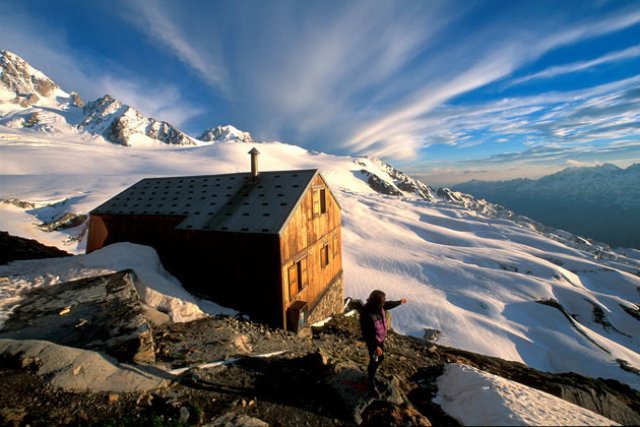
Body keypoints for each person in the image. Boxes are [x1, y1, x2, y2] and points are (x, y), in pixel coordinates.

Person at [359, 290, 407, 397]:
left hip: (379, 339)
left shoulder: (378, 306)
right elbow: (367, 334)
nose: (383, 304)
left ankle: (371, 375)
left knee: (380, 358)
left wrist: (399, 302)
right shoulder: (367, 314)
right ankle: (371, 383)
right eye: (382, 302)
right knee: (375, 359)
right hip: (374, 342)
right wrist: (375, 347)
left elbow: (388, 304)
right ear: (376, 302)